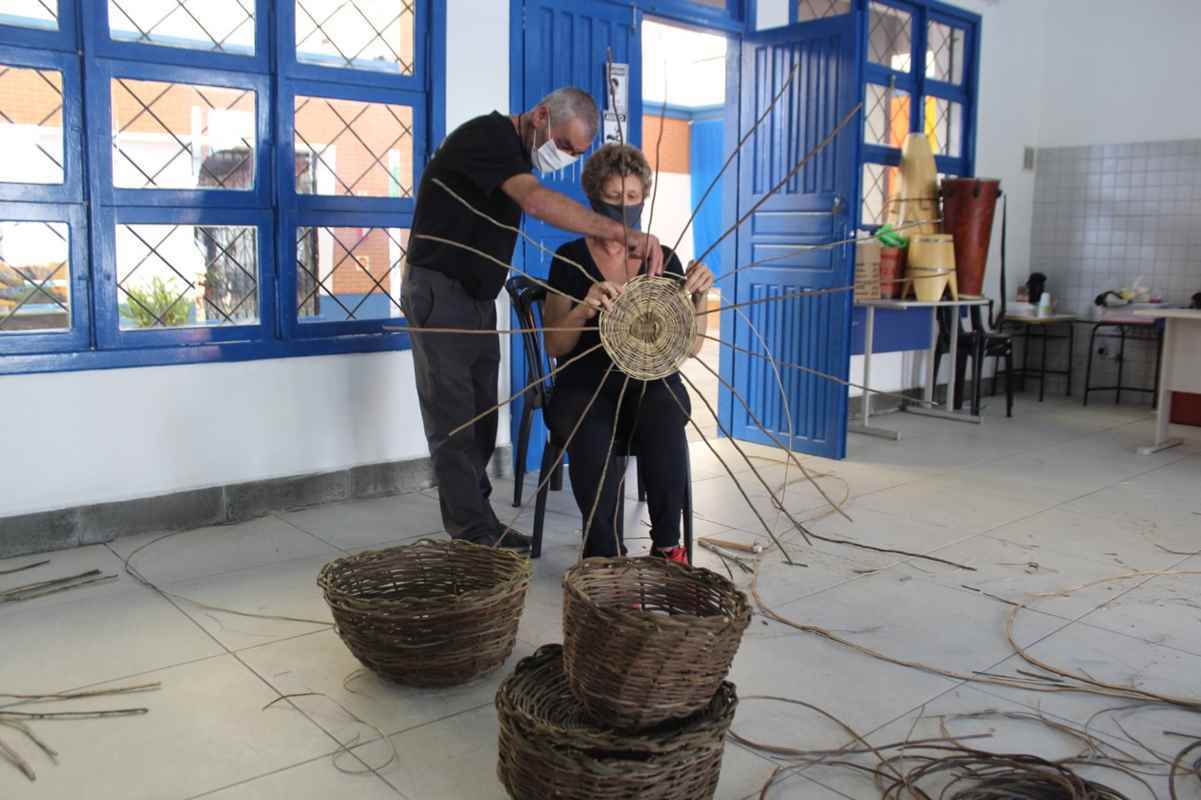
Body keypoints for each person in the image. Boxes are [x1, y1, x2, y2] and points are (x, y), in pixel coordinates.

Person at [402, 88, 664, 553]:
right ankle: (472, 536)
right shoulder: (488, 136)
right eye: (564, 145)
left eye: (576, 153)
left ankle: (477, 523)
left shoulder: (514, 158)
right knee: (454, 418)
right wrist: (621, 231)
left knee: (481, 416)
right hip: (441, 292)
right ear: (541, 116)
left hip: (476, 298)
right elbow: (537, 201)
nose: (563, 158)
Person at [542, 144, 713, 563]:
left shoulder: (662, 259)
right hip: (583, 384)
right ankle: (604, 554)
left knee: (667, 409)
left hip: (648, 381)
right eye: (613, 199)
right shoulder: (570, 259)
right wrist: (585, 305)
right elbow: (554, 345)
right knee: (591, 426)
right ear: (594, 200)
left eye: (633, 198)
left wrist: (700, 299)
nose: (623, 208)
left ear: (644, 198)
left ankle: (667, 547)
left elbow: (688, 346)